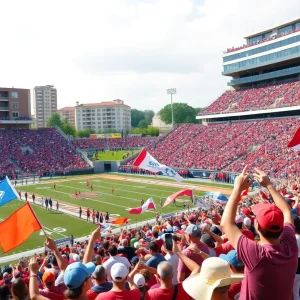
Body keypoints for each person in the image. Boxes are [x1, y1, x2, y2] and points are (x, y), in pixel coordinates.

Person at [220, 166, 298, 300]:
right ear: (281, 227)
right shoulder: (291, 246)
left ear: (257, 226)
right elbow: (286, 211)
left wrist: (237, 189)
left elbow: (225, 224)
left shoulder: (256, 254)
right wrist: (269, 185)